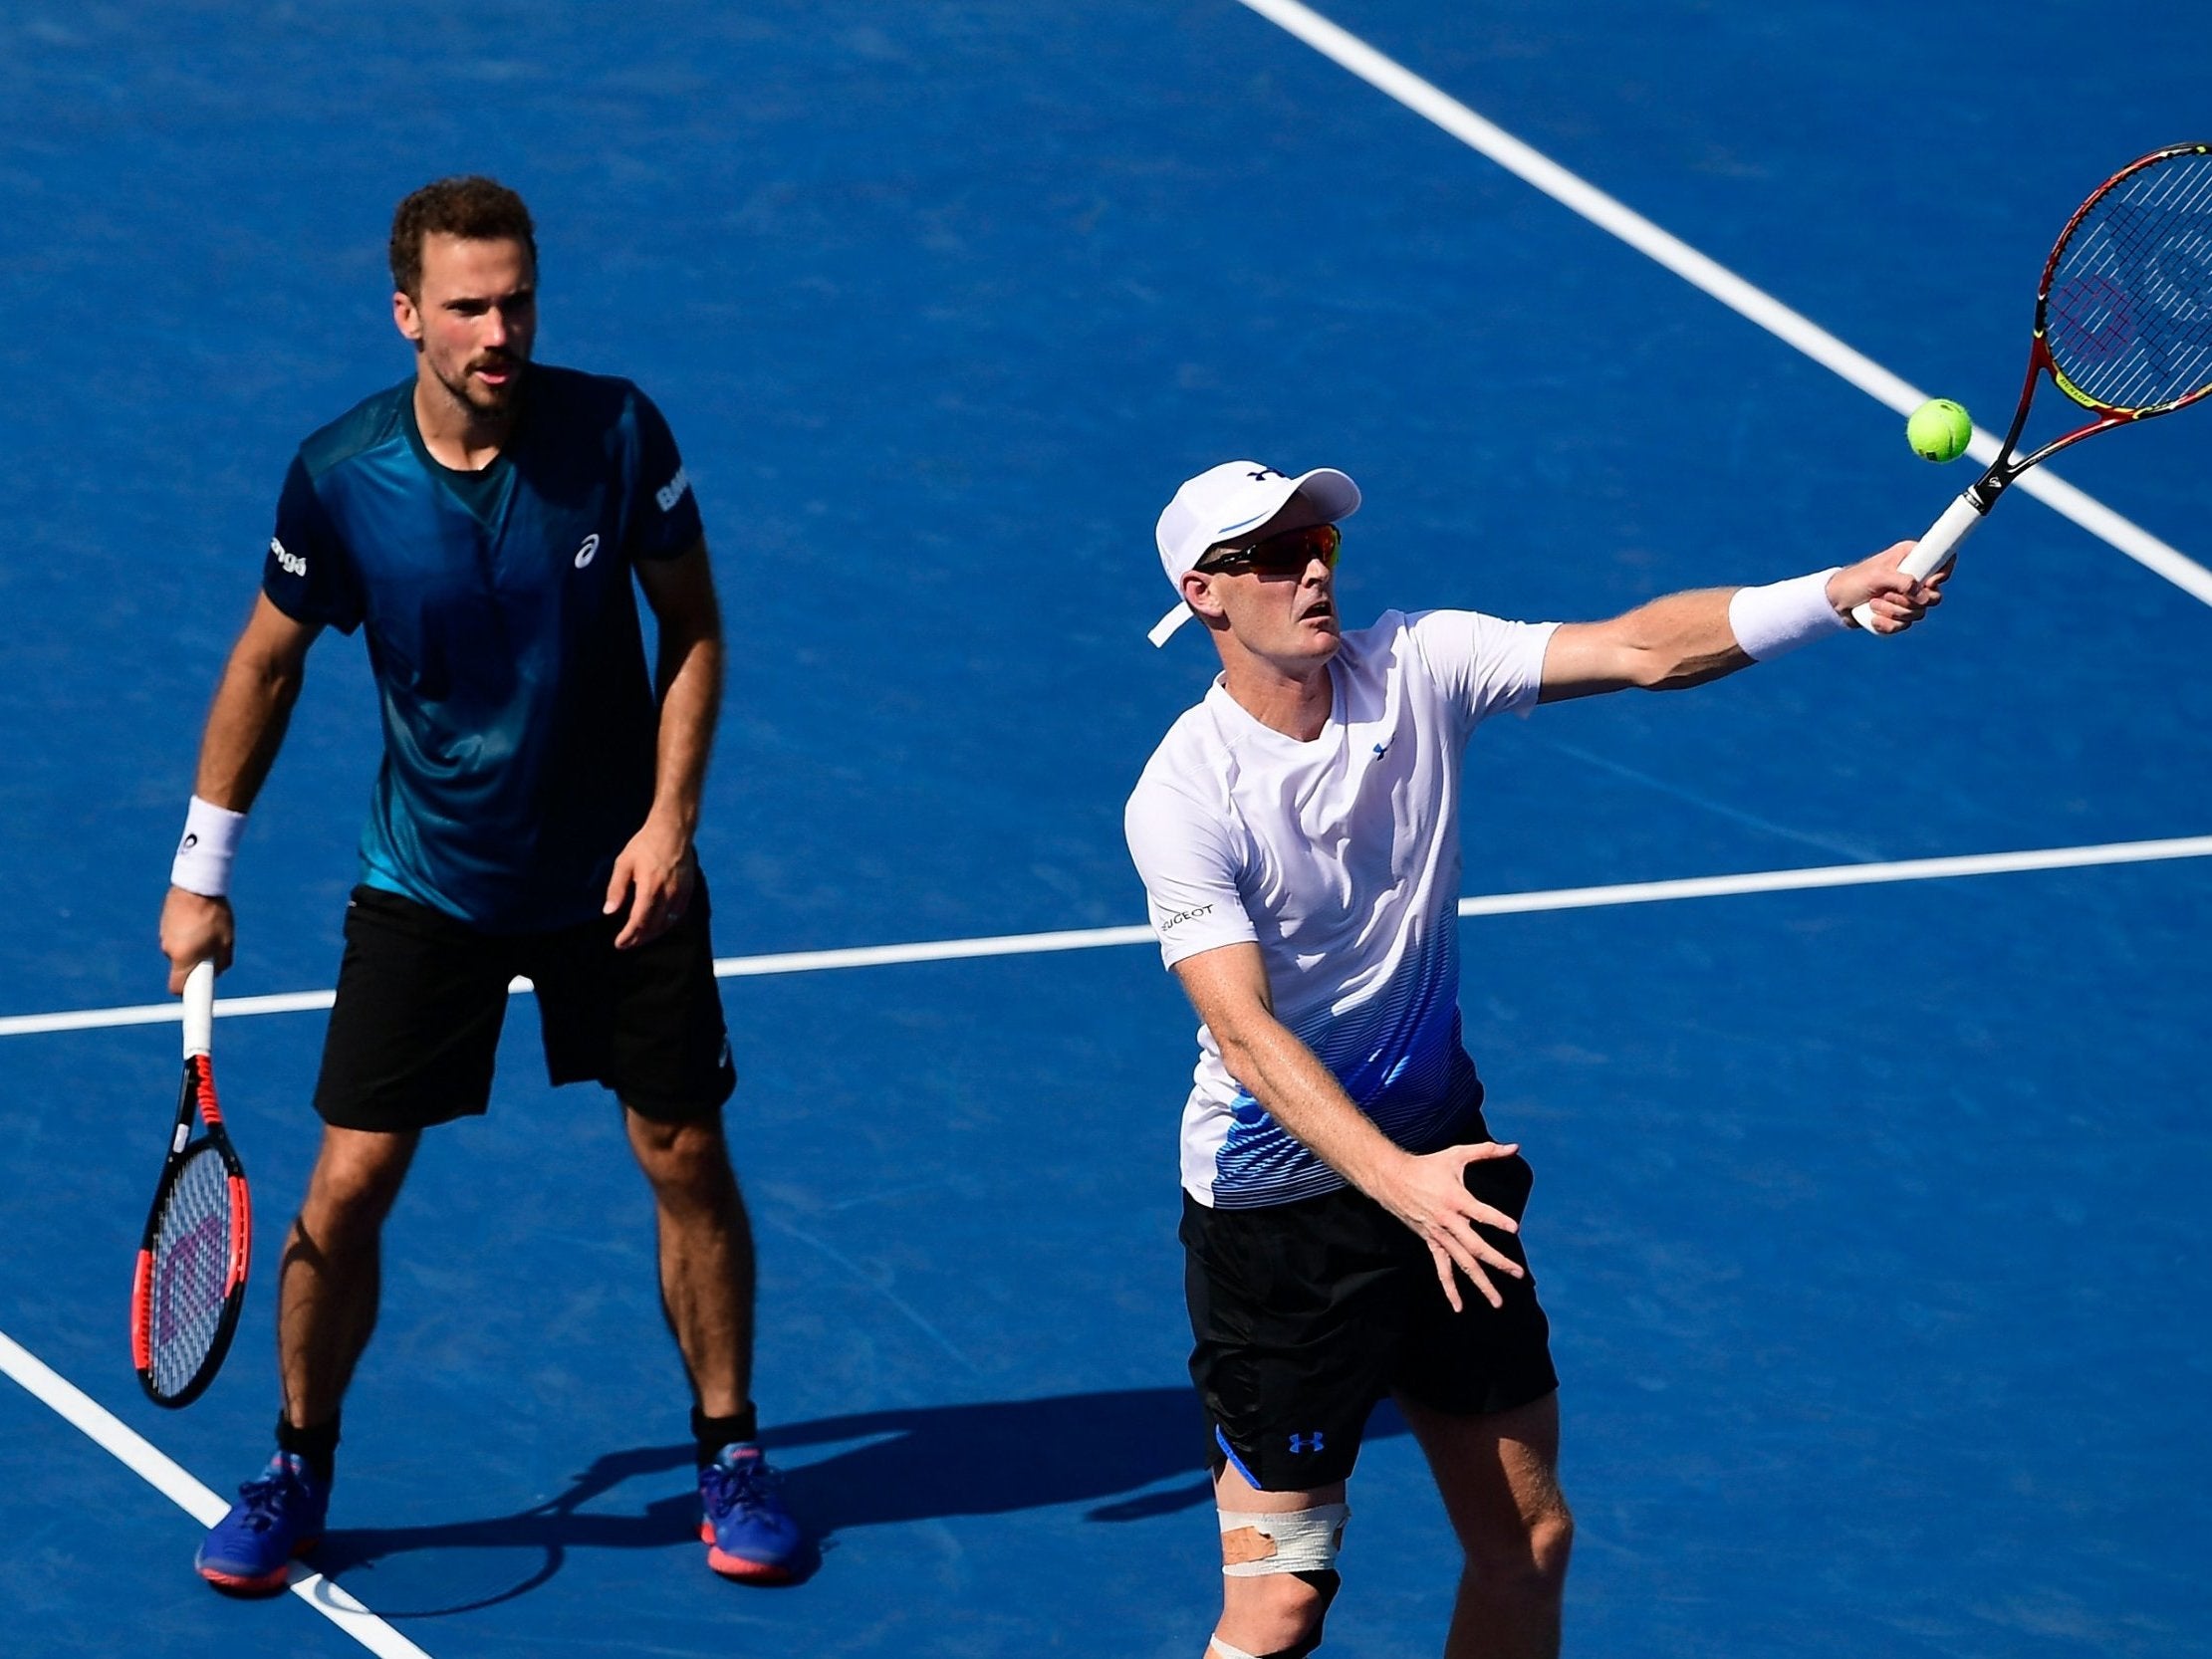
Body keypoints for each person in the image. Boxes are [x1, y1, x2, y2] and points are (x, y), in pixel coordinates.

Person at [1123, 461, 1943, 1659]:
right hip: (1283, 1227)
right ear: (1205, 592)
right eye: (1274, 554)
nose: (1313, 569)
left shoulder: (1417, 662)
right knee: (1280, 1604)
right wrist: (1397, 1185)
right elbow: (1247, 1033)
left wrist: (1829, 591)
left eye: (1323, 545)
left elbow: (1641, 648)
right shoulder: (1186, 794)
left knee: (1528, 1543)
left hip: (1447, 1169)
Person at [159, 176, 806, 1593]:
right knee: (350, 1180)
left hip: (616, 878)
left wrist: (670, 820)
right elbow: (266, 662)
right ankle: (295, 1464)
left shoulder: (616, 432)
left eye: (516, 299)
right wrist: (200, 871)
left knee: (683, 1154)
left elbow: (692, 627)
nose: (498, 328)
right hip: (428, 882)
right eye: (467, 305)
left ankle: (730, 1451)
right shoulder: (341, 476)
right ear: (408, 315)